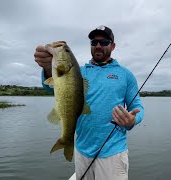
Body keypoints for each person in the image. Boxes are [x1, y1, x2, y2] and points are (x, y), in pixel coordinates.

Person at [34, 25, 144, 180]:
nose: (98, 45)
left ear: (113, 46)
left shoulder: (126, 75)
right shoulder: (79, 72)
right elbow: (50, 88)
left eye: (104, 42)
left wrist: (133, 120)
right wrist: (47, 68)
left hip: (113, 153)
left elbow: (138, 107)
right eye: (94, 42)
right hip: (82, 150)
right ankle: (66, 141)